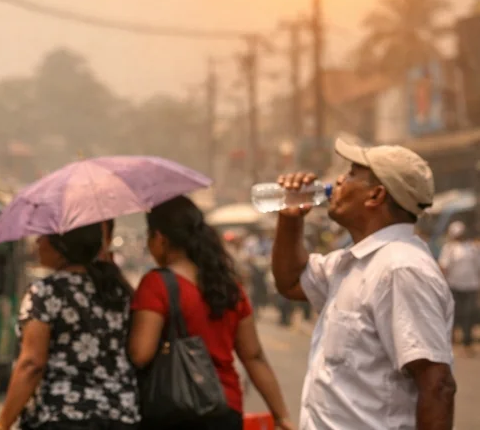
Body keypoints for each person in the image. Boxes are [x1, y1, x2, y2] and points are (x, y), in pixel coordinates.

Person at [272, 138, 456, 430]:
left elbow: (437, 384)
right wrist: (290, 219)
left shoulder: (400, 268)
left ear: (376, 195)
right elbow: (290, 282)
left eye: (352, 174)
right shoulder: (351, 263)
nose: (338, 180)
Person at [128, 196, 293, 430]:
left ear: (160, 238)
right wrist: (281, 415)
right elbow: (253, 356)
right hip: (225, 407)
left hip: (176, 409)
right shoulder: (229, 286)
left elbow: (140, 354)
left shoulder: (156, 284)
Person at [0, 222, 140, 430]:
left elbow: (32, 364)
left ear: (60, 247)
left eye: (43, 236)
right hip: (120, 415)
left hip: (62, 416)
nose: (37, 242)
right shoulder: (118, 291)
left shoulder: (46, 293)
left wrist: (2, 423)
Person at [438, 220, 480, 353]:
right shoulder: (448, 248)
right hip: (454, 286)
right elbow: (443, 266)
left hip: (470, 286)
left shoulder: (472, 248)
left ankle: (467, 342)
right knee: (453, 313)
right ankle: (451, 340)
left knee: (468, 313)